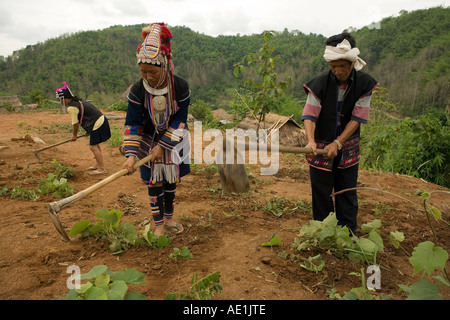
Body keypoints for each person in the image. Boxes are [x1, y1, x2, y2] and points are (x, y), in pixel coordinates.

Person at [301, 32, 379, 235]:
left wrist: (338, 142)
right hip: (320, 144)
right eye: (332, 66)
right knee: (320, 189)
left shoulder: (364, 84)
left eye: (342, 66)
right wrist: (310, 141)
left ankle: (348, 233)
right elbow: (310, 114)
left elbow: (358, 117)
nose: (337, 71)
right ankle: (324, 231)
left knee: (347, 190)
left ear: (351, 63)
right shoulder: (319, 83)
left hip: (347, 146)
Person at [122, 23, 191, 237]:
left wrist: (163, 145)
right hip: (146, 140)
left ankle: (169, 219)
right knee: (153, 181)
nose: (148, 76)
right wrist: (132, 155)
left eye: (152, 71)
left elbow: (180, 118)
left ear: (165, 66)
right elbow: (133, 122)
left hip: (174, 138)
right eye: (143, 72)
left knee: (171, 180)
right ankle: (158, 224)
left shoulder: (180, 86)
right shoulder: (137, 89)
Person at [56, 82, 111, 175]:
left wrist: (74, 135)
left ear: (66, 98)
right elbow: (84, 115)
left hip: (97, 124)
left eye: (61, 100)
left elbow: (76, 123)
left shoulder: (72, 107)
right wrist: (88, 131)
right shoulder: (77, 102)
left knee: (93, 146)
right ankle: (98, 165)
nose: (61, 102)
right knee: (95, 144)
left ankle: (102, 169)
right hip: (101, 121)